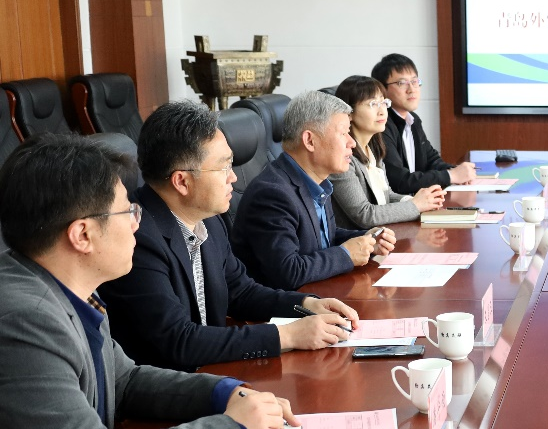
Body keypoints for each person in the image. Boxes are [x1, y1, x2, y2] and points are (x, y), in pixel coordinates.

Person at [0, 135, 297, 429]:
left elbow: (124, 381)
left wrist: (226, 392)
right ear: (83, 235)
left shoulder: (70, 289)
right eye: (128, 212)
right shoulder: (25, 320)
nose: (137, 224)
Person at [99, 101, 362, 371]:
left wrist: (306, 305)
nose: (234, 178)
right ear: (182, 181)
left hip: (213, 371)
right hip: (169, 385)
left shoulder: (209, 221)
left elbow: (241, 292)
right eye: (224, 167)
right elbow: (178, 341)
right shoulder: (137, 238)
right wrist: (288, 335)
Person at [231, 90, 397, 290]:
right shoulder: (272, 194)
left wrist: (367, 239)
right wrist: (346, 254)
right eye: (343, 133)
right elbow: (288, 272)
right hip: (287, 305)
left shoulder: (317, 180)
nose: (352, 142)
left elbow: (323, 239)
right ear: (310, 141)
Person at [330, 75, 446, 229]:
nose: (382, 111)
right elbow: (364, 215)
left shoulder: (373, 150)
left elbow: (387, 195)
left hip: (382, 235)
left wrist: (422, 201)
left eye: (384, 102)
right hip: (359, 240)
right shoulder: (343, 158)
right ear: (349, 113)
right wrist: (416, 206)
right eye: (373, 104)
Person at [371, 53, 477, 194]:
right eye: (402, 83)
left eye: (414, 81)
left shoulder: (413, 120)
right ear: (382, 90)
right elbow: (399, 181)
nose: (411, 89)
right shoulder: (382, 126)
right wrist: (451, 176)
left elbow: (432, 161)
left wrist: (458, 172)